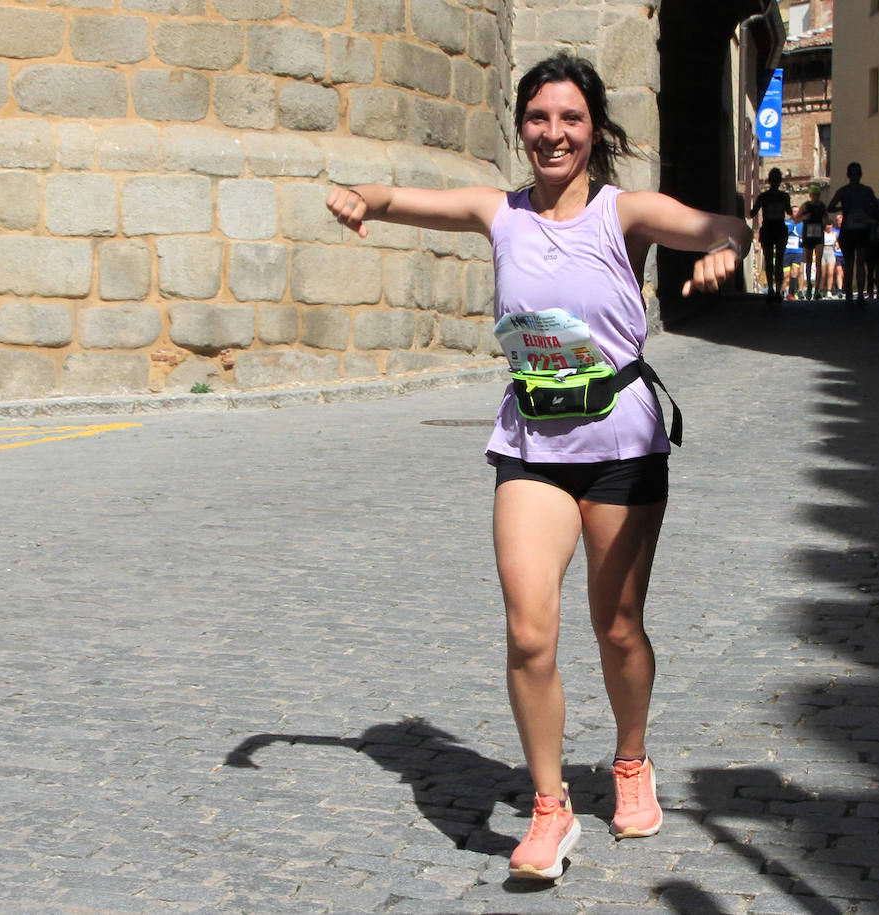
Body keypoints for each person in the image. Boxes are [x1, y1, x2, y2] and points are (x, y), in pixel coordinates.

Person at [326, 52, 750, 883]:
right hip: (531, 444)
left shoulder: (622, 213)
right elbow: (402, 200)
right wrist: (362, 199)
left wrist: (727, 246)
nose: (552, 134)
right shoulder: (500, 212)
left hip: (622, 444)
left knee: (616, 623)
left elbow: (717, 224)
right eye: (537, 118)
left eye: (570, 119)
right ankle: (551, 808)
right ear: (520, 127)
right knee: (529, 629)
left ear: (594, 130)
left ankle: (631, 759)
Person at [828, 162, 879, 304]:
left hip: (848, 229)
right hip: (861, 229)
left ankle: (850, 293)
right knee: (860, 262)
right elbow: (876, 206)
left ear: (848, 175)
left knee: (850, 263)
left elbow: (830, 207)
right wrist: (866, 212)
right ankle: (859, 294)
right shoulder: (866, 190)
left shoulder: (843, 191)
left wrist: (844, 208)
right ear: (860, 174)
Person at [749, 167, 792, 303]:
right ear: (780, 181)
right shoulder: (784, 196)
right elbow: (789, 211)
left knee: (769, 261)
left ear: (769, 180)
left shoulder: (763, 196)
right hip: (779, 227)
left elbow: (752, 213)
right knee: (779, 260)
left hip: (768, 228)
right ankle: (777, 291)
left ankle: (771, 291)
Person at [793, 185, 829, 300]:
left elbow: (826, 218)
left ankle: (817, 289)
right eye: (814, 194)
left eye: (818, 194)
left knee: (818, 262)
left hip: (818, 235)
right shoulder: (806, 206)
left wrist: (824, 223)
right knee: (808, 262)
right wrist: (804, 217)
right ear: (810, 195)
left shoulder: (822, 205)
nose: (816, 197)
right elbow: (796, 219)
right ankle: (808, 286)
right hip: (808, 235)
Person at [820, 211, 843, 300]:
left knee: (830, 273)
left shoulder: (835, 234)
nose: (829, 226)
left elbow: (837, 243)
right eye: (827, 224)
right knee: (823, 274)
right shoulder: (822, 233)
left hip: (831, 252)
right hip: (823, 251)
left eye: (831, 225)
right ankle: (821, 290)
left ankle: (829, 290)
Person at [782, 216, 803, 299]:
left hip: (798, 252)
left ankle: (791, 294)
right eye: (794, 211)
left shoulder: (802, 224)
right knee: (786, 276)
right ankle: (781, 292)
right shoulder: (785, 223)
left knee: (794, 272)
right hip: (786, 253)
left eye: (798, 212)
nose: (796, 213)